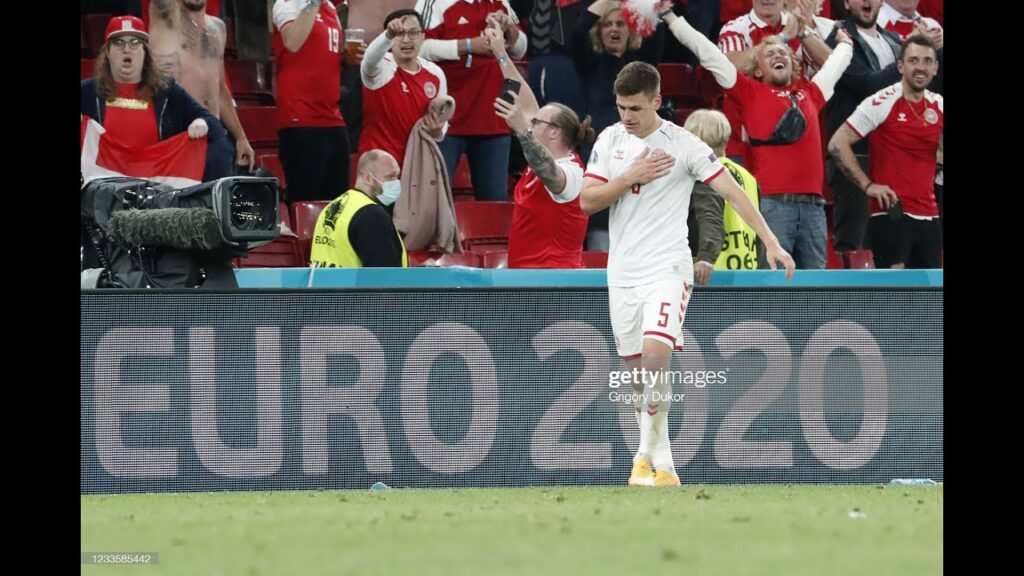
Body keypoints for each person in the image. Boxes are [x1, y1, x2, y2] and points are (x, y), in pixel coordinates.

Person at [580, 61, 794, 487]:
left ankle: (641, 456)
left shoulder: (685, 144)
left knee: (657, 355)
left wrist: (771, 241)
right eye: (621, 107)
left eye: (636, 108)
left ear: (657, 101)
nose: (627, 116)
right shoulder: (609, 140)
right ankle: (665, 465)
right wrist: (630, 177)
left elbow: (731, 192)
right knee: (639, 375)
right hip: (622, 273)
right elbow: (588, 201)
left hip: (668, 267)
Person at [667, 8, 853, 269]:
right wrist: (672, 18)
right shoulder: (749, 92)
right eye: (769, 54)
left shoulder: (811, 92)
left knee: (815, 292)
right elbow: (708, 52)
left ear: (794, 64)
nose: (778, 54)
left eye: (783, 53)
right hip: (772, 207)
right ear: (756, 70)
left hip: (814, 208)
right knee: (772, 289)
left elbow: (837, 63)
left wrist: (845, 43)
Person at [827, 34, 942, 269]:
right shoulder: (881, 101)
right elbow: (837, 143)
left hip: (930, 215)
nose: (920, 67)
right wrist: (868, 186)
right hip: (891, 215)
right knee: (894, 299)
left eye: (927, 61)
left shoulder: (938, 104)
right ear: (900, 66)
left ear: (936, 67)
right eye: (913, 60)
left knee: (929, 300)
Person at [486, 28, 592, 268]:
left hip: (556, 284)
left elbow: (550, 173)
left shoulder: (573, 171)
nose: (530, 122)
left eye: (536, 122)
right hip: (526, 280)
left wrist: (523, 132)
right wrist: (501, 54)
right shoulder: (538, 155)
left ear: (555, 131)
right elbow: (526, 102)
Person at [81, 16, 222, 178]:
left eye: (135, 43)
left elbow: (212, 123)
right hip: (102, 188)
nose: (127, 49)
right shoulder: (87, 92)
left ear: (145, 51)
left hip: (155, 188)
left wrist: (200, 121)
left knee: (221, 144)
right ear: (107, 52)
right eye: (119, 43)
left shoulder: (167, 91)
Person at [415, 0, 528, 201]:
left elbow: (521, 49)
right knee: (435, 201)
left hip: (494, 119)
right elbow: (419, 47)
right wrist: (468, 45)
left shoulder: (500, 3)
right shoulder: (435, 3)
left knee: (495, 204)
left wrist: (509, 28)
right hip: (447, 120)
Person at [148, 1, 255, 175]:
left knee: (217, 200)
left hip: (214, 135)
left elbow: (219, 87)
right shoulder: (165, 18)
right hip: (178, 134)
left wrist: (240, 137)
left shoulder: (218, 28)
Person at [272, 0, 352, 202]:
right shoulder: (286, 4)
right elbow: (292, 42)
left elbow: (326, 55)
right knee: (304, 201)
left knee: (337, 203)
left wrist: (348, 59)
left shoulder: (332, 9)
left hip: (332, 117)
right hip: (300, 118)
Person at [359, 9, 448, 169]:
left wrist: (438, 132)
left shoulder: (435, 73)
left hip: (417, 165)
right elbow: (370, 59)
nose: (406, 40)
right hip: (379, 167)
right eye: (399, 34)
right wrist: (388, 35)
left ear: (423, 36)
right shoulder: (380, 67)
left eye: (413, 33)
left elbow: (442, 117)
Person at [683, 109, 763, 283]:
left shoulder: (706, 173)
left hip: (711, 274)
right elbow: (758, 231)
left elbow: (710, 218)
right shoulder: (748, 177)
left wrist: (706, 257)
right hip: (747, 273)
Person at [309, 150, 409, 268]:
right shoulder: (372, 216)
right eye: (390, 177)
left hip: (324, 285)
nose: (396, 183)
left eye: (397, 176)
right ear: (368, 178)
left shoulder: (331, 207)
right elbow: (385, 277)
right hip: (354, 285)